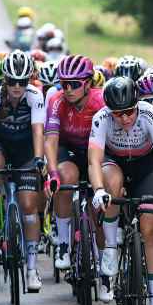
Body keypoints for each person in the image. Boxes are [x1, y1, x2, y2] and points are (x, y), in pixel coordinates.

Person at [89, 76, 153, 305]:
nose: (125, 118)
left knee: (150, 231)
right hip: (114, 162)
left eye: (129, 111)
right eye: (119, 114)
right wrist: (98, 190)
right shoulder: (101, 118)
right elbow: (94, 161)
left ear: (136, 104)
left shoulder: (151, 115)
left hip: (145, 167)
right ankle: (110, 248)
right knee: (112, 183)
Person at [43, 55, 105, 286]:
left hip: (94, 151)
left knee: (96, 205)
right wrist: (52, 173)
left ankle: (101, 260)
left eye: (75, 84)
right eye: (64, 84)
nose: (68, 89)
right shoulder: (57, 100)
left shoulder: (100, 101)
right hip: (68, 149)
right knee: (65, 178)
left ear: (88, 83)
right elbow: (50, 140)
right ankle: (62, 243)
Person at [0, 50, 47, 291]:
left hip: (25, 151)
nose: (16, 87)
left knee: (28, 206)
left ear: (28, 80)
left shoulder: (35, 96)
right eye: (11, 81)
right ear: (5, 80)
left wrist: (38, 159)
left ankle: (32, 268)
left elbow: (38, 131)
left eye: (21, 82)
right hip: (1, 146)